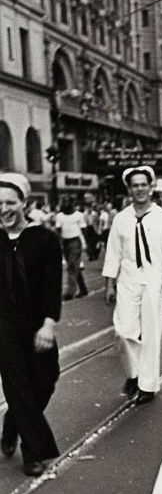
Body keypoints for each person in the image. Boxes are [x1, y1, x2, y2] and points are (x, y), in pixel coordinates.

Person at [0, 173, 62, 477]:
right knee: (17, 383)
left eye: (10, 202)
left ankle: (13, 422)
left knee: (45, 379)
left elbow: (52, 284)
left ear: (24, 202)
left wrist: (48, 324)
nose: (4, 209)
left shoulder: (45, 240)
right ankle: (33, 452)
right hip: (3, 322)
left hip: (37, 320)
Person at [102, 166, 162, 405]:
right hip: (127, 280)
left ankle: (147, 385)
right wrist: (109, 284)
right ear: (129, 189)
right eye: (135, 185)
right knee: (123, 331)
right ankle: (133, 373)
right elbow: (113, 252)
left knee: (151, 333)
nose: (139, 189)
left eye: (143, 184)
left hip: (154, 281)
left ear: (150, 187)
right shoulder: (121, 219)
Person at [55, 198, 88, 300]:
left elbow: (84, 229)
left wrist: (86, 243)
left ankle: (70, 292)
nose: (66, 204)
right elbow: (58, 230)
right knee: (73, 266)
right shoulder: (59, 216)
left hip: (75, 241)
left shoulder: (78, 215)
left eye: (67, 202)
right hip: (65, 242)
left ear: (72, 203)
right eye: (64, 202)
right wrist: (59, 243)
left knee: (72, 266)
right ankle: (83, 289)